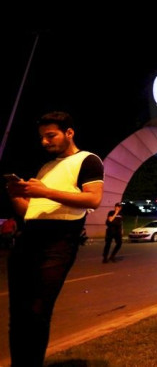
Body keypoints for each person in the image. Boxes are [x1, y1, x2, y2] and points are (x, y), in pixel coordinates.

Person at [5, 111, 104, 366]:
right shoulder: (47, 166)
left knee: (37, 311)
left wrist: (45, 191)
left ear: (69, 132)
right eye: (42, 137)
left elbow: (93, 199)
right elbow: (29, 211)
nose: (45, 142)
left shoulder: (88, 160)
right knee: (18, 314)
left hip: (58, 241)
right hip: (28, 238)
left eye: (51, 135)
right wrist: (15, 194)